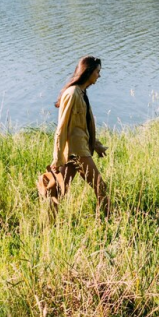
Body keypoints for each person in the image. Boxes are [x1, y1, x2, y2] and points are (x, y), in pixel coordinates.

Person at [41, 55, 110, 218]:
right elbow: (61, 128)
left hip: (76, 150)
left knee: (59, 191)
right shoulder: (72, 94)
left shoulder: (81, 92)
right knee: (100, 187)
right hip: (77, 152)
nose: (99, 76)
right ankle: (107, 221)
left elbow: (83, 126)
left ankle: (49, 224)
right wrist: (56, 159)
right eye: (97, 72)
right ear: (89, 72)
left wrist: (97, 146)